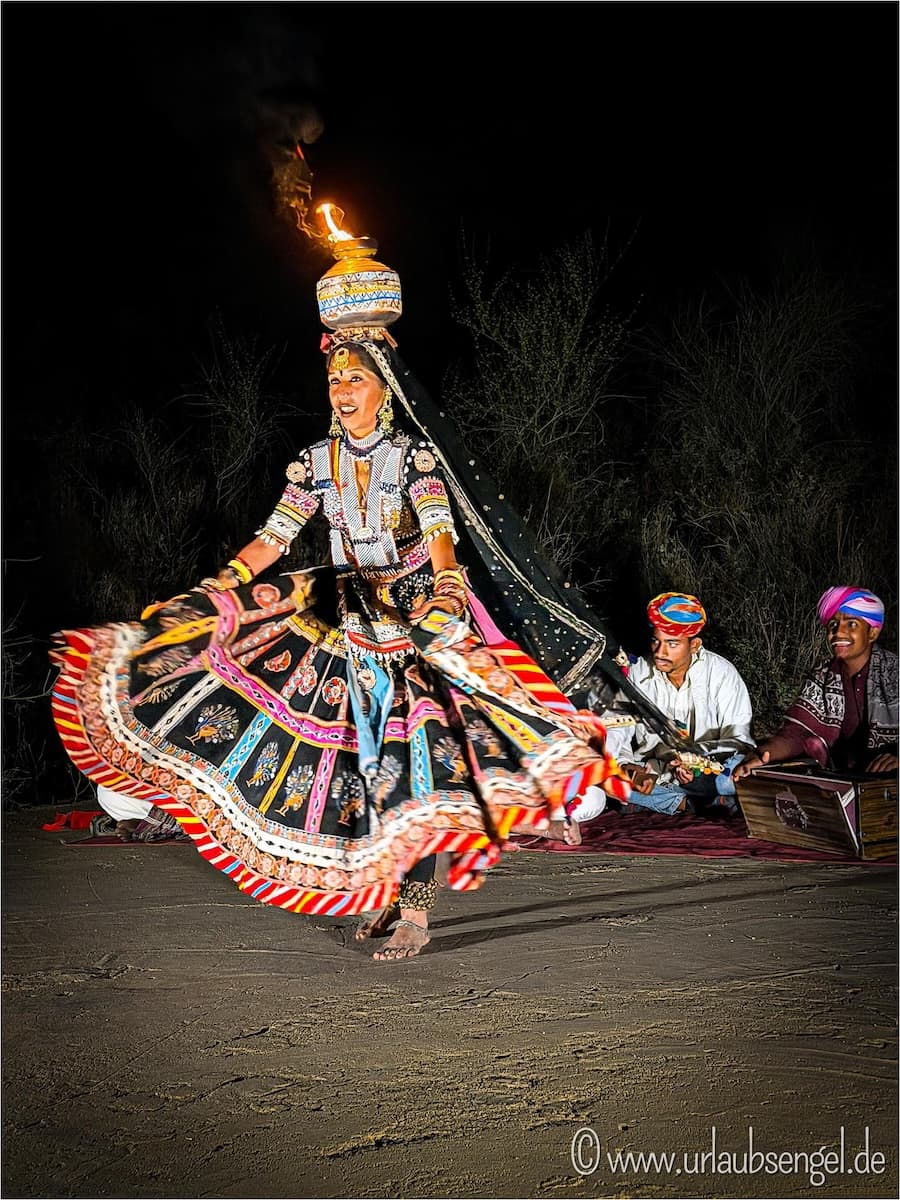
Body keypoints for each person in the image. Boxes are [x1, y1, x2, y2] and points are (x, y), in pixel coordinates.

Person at [50, 227, 630, 962]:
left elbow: (442, 538)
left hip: (419, 624)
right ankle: (386, 901)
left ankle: (417, 914)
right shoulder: (313, 463)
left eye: (356, 380)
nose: (342, 392)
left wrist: (445, 597)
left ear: (384, 388)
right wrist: (217, 590)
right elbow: (272, 540)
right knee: (360, 778)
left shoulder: (414, 455)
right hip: (345, 626)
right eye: (335, 382)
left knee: (415, 776)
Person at [594, 592, 756, 815]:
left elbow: (740, 741)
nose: (660, 652)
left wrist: (699, 763)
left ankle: (694, 797)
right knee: (601, 781)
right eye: (656, 641)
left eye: (672, 644)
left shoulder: (722, 674)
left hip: (714, 772)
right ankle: (689, 804)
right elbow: (614, 732)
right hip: (657, 774)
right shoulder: (636, 674)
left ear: (694, 645)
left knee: (739, 777)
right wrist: (629, 770)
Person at [734, 587, 898, 781]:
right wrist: (762, 755)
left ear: (872, 633)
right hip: (843, 778)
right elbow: (797, 732)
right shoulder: (823, 675)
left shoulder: (894, 672)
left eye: (852, 624)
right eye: (833, 625)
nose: (838, 632)